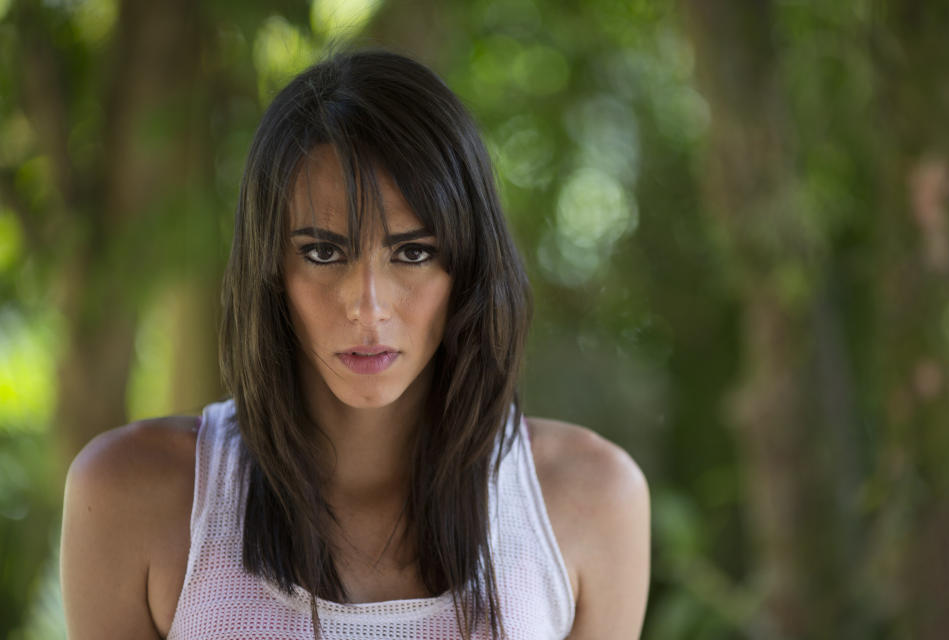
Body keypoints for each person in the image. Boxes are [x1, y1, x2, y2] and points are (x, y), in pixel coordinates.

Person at [60, 49, 650, 639]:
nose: (368, 307)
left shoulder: (590, 500)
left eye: (413, 253)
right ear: (269, 270)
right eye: (323, 252)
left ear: (468, 268)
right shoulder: (129, 496)